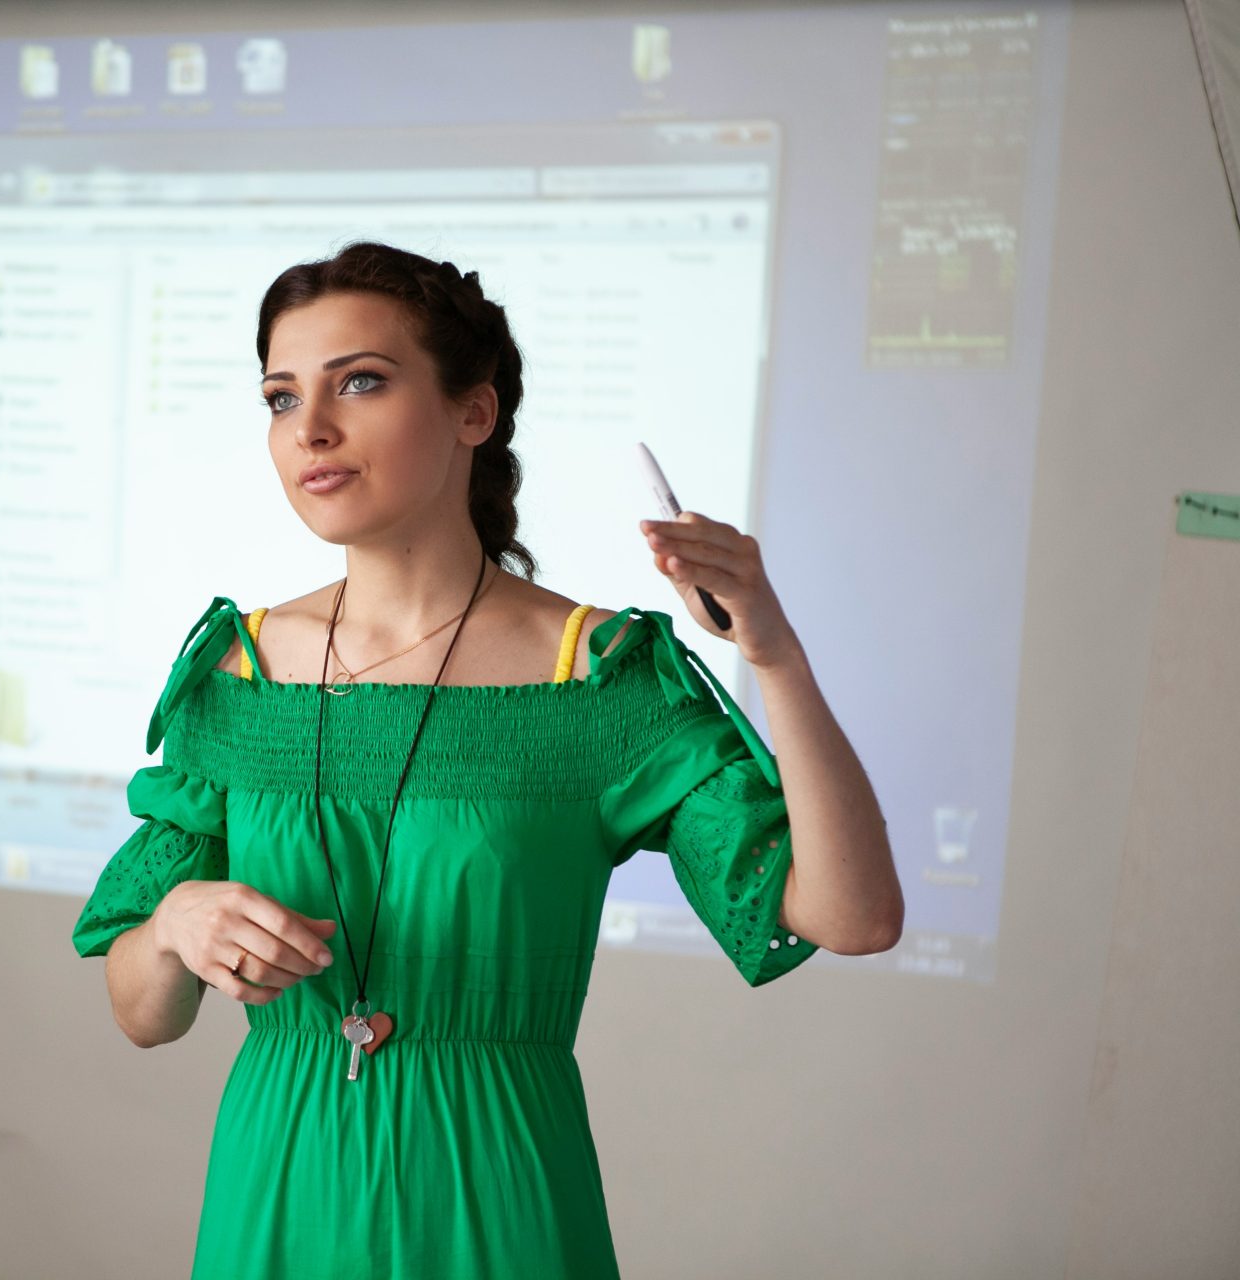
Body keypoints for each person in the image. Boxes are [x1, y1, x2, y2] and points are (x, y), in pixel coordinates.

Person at [70, 240, 903, 1279]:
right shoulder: (238, 673)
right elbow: (143, 1015)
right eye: (282, 398)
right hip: (276, 1189)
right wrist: (173, 925)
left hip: (498, 1197)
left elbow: (854, 916)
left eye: (360, 381)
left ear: (475, 411)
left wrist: (772, 653)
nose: (311, 430)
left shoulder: (598, 678)